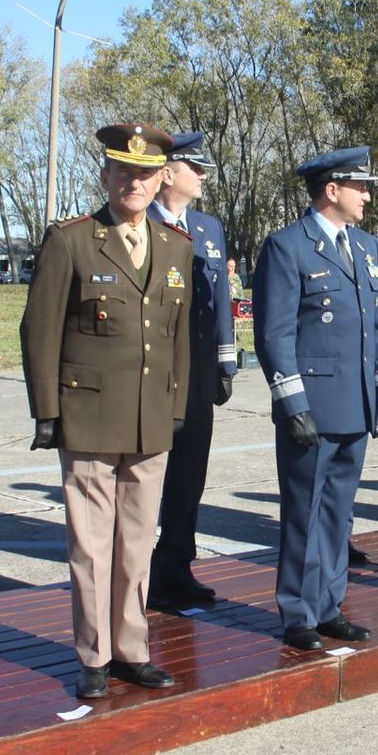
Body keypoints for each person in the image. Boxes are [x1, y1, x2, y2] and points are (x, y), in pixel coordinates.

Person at [20, 123, 193, 701]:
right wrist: (47, 411)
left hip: (149, 418)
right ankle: (93, 654)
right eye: (124, 172)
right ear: (106, 176)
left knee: (138, 541)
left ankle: (132, 649)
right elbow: (39, 329)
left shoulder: (175, 248)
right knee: (92, 545)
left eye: (145, 174)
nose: (134, 183)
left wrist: (176, 404)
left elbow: (179, 336)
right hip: (88, 413)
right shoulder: (71, 240)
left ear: (160, 179)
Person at [253, 146, 378, 650]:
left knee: (338, 512)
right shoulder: (288, 246)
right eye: (361, 187)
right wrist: (293, 406)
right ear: (332, 190)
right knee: (304, 513)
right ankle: (297, 612)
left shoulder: (369, 248)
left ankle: (329, 605)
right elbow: (274, 337)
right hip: (312, 407)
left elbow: (376, 328)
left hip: (354, 404)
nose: (368, 196)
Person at [146, 132, 237, 609]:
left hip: (197, 375)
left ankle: (176, 566)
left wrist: (226, 358)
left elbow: (221, 296)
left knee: (189, 477)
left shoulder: (207, 227)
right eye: (195, 168)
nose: (202, 177)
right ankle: (138, 576)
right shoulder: (139, 222)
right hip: (152, 375)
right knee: (146, 480)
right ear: (167, 173)